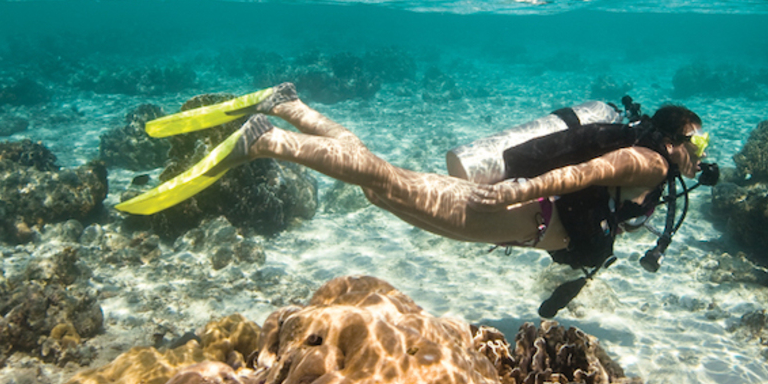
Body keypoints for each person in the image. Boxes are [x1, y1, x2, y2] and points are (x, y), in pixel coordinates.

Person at [117, 84, 710, 284]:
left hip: (524, 217)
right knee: (385, 181)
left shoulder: (658, 161)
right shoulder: (650, 162)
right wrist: (513, 193)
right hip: (522, 213)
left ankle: (289, 106)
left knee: (382, 186)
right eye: (698, 144)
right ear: (672, 138)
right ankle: (269, 141)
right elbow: (585, 173)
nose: (697, 157)